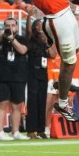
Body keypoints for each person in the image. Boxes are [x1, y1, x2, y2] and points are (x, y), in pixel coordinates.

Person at [0, 17, 29, 141]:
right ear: (3, 27)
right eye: (7, 25)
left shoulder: (21, 39)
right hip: (0, 77)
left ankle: (15, 132)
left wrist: (12, 40)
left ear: (16, 27)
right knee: (2, 104)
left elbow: (22, 50)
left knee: (16, 105)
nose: (10, 28)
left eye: (12, 25)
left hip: (18, 77)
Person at [26, 9, 56, 139]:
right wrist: (29, 16)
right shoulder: (31, 39)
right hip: (32, 72)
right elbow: (28, 31)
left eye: (40, 24)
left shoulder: (47, 40)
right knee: (32, 102)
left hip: (43, 74)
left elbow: (53, 55)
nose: (39, 26)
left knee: (42, 101)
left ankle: (41, 130)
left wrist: (47, 42)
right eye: (37, 24)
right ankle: (31, 130)